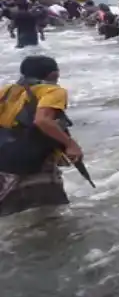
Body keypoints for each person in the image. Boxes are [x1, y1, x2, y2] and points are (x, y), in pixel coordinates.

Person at [0, 56, 83, 216]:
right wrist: (70, 144)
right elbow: (42, 120)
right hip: (33, 163)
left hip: (5, 165)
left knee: (13, 217)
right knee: (52, 217)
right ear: (53, 75)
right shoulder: (53, 91)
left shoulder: (7, 91)